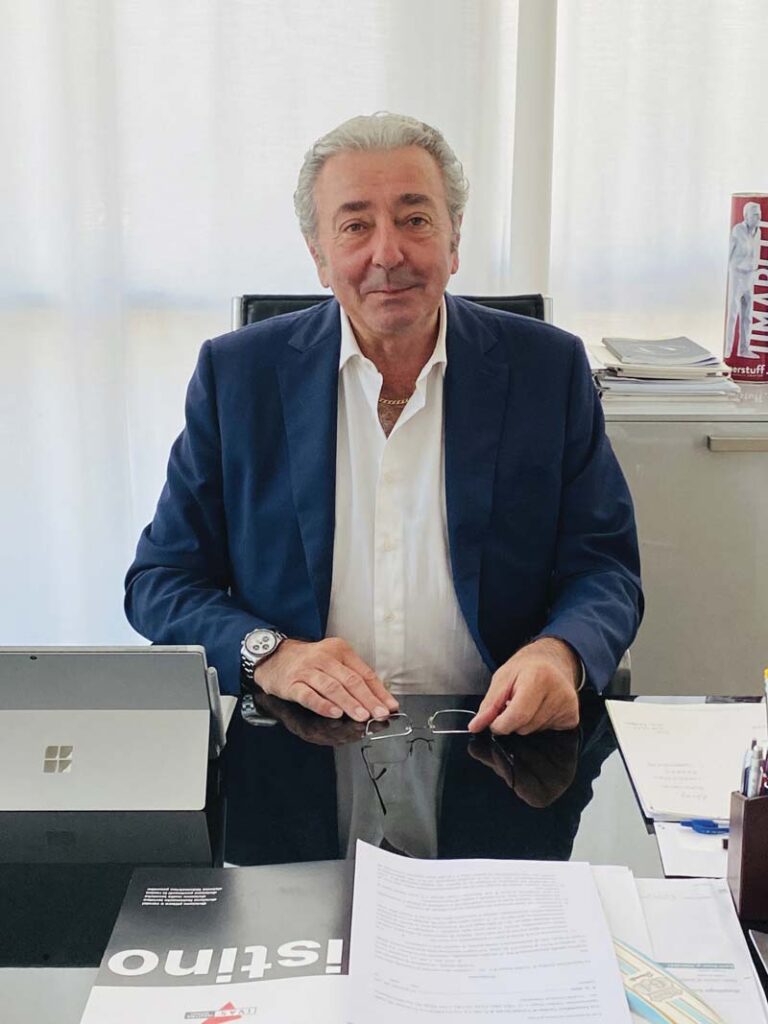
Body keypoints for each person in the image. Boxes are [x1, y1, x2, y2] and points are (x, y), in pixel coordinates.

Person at [125, 112, 642, 735]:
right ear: (319, 256)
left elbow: (604, 569)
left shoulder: (547, 370)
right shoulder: (237, 376)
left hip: (497, 737)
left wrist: (559, 653)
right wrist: (271, 655)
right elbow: (162, 581)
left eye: (415, 220)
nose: (388, 254)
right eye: (355, 226)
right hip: (297, 741)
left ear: (454, 242)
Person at [725, 201, 762, 359]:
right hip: (737, 275)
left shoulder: (758, 232)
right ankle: (727, 350)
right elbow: (728, 253)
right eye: (755, 215)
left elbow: (756, 253)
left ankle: (744, 349)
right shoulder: (737, 230)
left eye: (759, 214)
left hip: (750, 275)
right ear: (746, 216)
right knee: (733, 313)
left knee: (748, 314)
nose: (759, 217)